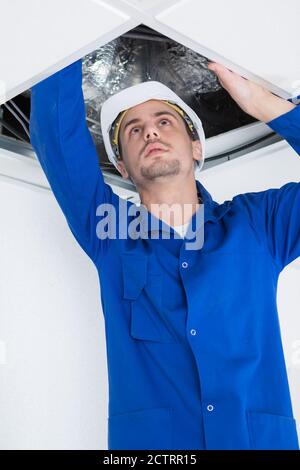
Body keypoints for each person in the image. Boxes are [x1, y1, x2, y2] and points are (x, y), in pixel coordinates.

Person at [29, 58, 300, 450]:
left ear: (196, 147)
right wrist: (73, 29)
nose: (150, 131)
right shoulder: (109, 231)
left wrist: (266, 106)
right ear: (122, 165)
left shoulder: (260, 224)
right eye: (134, 130)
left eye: (164, 121)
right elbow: (56, 135)